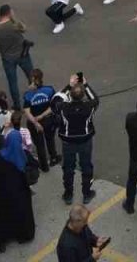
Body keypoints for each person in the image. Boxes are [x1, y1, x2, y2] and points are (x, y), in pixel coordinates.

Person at [0, 112, 36, 251]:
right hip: (21, 191)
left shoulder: (1, 157)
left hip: (5, 193)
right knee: (23, 213)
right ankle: (24, 235)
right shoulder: (23, 155)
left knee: (4, 217)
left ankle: (2, 242)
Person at [51, 73, 98, 206]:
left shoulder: (63, 108)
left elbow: (55, 101)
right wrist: (86, 84)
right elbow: (95, 98)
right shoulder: (89, 106)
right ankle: (87, 193)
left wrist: (69, 86)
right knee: (86, 167)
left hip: (68, 143)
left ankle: (68, 194)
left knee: (68, 168)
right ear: (83, 95)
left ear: (70, 95)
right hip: (85, 141)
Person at [0, 4, 35, 109]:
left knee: (12, 82)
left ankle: (17, 105)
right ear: (9, 13)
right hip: (23, 54)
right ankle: (34, 98)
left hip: (7, 59)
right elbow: (24, 29)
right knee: (31, 76)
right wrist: (14, 19)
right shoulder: (15, 24)